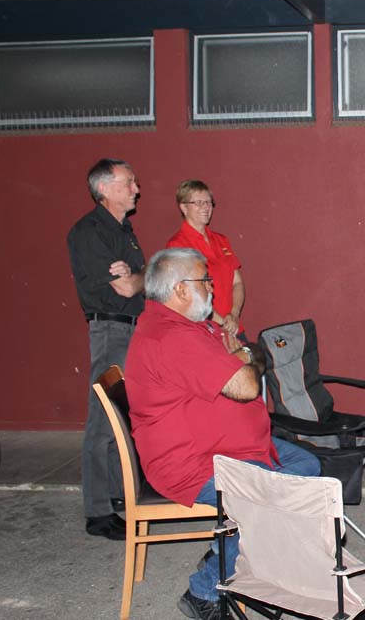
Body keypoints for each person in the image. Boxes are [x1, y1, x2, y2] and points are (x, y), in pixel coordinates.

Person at [124, 248, 320, 619]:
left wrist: (243, 355)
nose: (213, 288)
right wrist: (243, 358)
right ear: (181, 289)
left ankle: (226, 548)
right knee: (277, 497)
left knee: (307, 468)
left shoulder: (193, 325)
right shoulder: (172, 336)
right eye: (206, 280)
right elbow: (247, 385)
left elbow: (255, 353)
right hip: (193, 464)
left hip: (234, 448)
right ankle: (204, 591)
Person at [67, 158, 145, 540]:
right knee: (103, 420)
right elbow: (128, 288)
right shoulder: (89, 232)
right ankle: (97, 513)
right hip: (111, 330)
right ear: (105, 189)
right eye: (129, 182)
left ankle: (117, 495)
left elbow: (138, 279)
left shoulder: (124, 231)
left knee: (122, 419)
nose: (136, 189)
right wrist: (138, 277)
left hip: (130, 329)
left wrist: (138, 275)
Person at [165, 180, 246, 338]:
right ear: (184, 207)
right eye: (198, 202)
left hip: (233, 327)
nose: (206, 207)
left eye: (208, 202)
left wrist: (234, 314)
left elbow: (237, 282)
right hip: (205, 330)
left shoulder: (221, 240)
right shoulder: (177, 245)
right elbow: (189, 294)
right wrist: (222, 323)